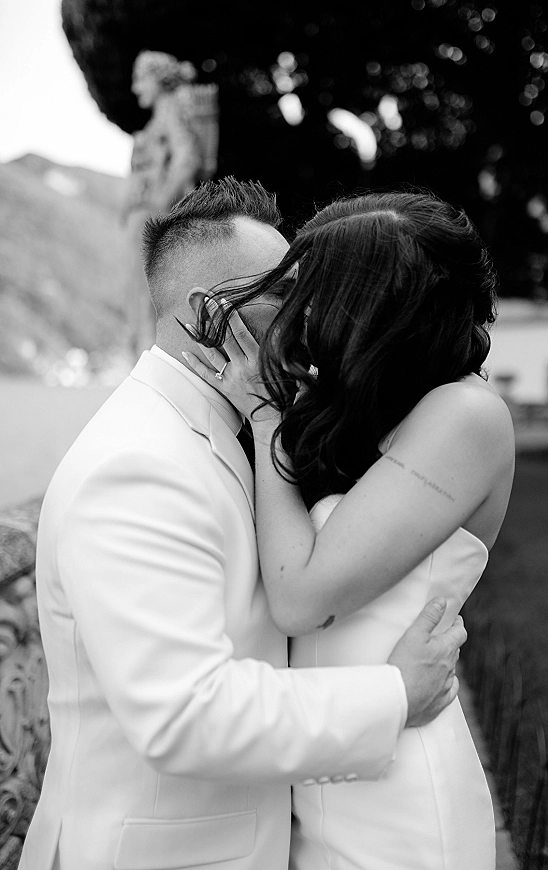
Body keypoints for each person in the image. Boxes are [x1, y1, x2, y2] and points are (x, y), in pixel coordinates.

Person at [19, 179, 466, 870]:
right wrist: (394, 694)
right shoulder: (137, 465)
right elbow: (187, 715)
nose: (308, 312)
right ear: (212, 318)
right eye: (283, 294)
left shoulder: (242, 424)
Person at [183, 189, 516, 870]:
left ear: (372, 308)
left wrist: (269, 416)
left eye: (314, 291)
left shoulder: (466, 414)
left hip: (402, 799)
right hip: (329, 766)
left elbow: (301, 595)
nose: (296, 315)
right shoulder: (370, 411)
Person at [122, 50, 219, 358]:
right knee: (141, 297)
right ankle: (145, 358)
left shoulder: (169, 114)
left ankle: (148, 361)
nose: (136, 87)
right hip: (144, 217)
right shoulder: (162, 117)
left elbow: (187, 159)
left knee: (147, 297)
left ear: (159, 81)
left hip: (150, 218)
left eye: (141, 79)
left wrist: (158, 206)